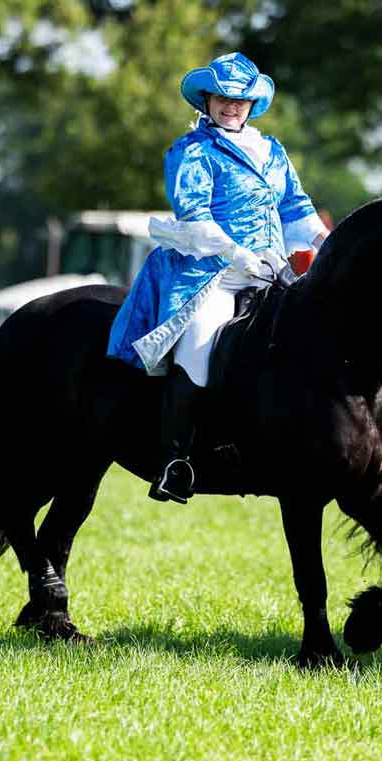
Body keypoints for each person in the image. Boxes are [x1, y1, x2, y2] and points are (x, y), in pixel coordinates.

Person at [107, 52, 330, 504]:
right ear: (207, 100)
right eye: (222, 98)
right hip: (212, 275)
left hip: (271, 272)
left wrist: (325, 240)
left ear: (252, 104)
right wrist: (237, 254)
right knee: (200, 348)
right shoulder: (191, 151)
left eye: (240, 99)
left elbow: (296, 208)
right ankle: (176, 459)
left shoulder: (272, 151)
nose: (231, 106)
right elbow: (195, 215)